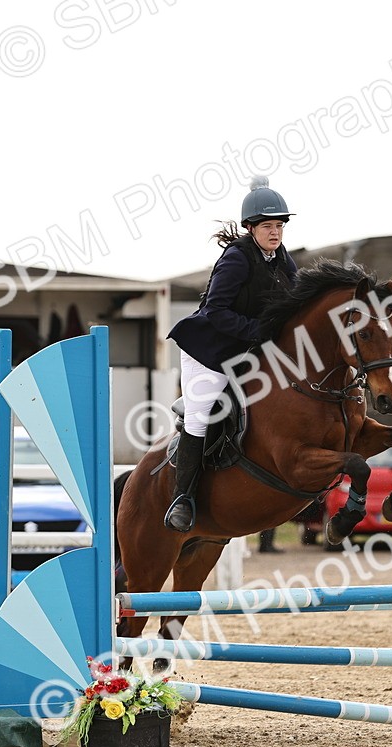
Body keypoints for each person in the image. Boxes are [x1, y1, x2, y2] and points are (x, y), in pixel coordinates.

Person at [164, 176, 298, 531]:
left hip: (249, 351)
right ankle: (183, 498)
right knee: (199, 416)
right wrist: (260, 333)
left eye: (280, 225)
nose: (275, 232)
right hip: (208, 350)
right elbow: (215, 311)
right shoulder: (237, 259)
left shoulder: (283, 260)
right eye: (268, 226)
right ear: (251, 227)